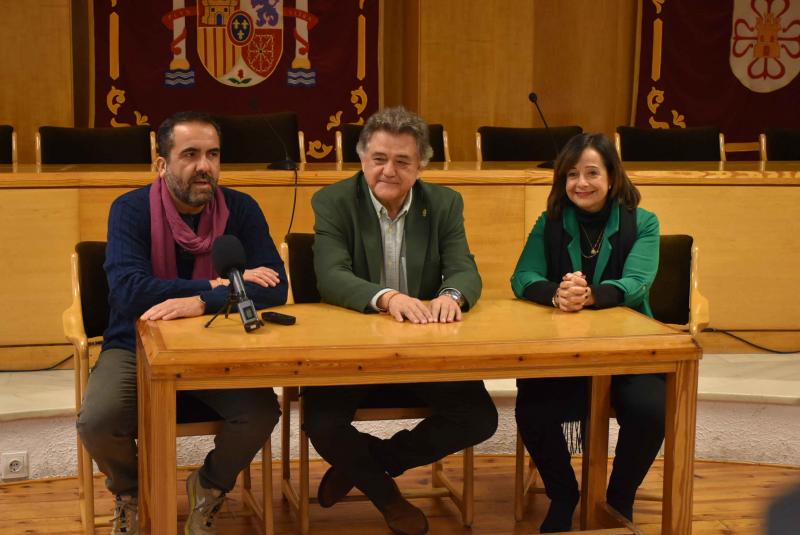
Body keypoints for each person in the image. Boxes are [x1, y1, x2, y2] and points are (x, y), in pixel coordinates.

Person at [76, 111, 288, 535]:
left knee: (261, 413)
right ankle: (133, 492)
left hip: (218, 346)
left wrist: (198, 302)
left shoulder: (242, 209)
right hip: (135, 343)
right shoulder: (130, 210)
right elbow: (129, 293)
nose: (204, 166)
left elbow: (273, 287)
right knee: (97, 422)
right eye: (190, 154)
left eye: (212, 154)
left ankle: (208, 487)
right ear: (162, 164)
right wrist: (218, 285)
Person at [304, 107, 498, 535]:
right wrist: (387, 297)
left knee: (480, 418)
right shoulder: (333, 201)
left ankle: (367, 464)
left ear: (421, 166)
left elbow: (464, 267)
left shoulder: (444, 203)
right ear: (362, 159)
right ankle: (389, 500)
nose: (388, 171)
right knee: (321, 424)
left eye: (402, 161)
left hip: (421, 344)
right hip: (350, 347)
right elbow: (331, 276)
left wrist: (452, 295)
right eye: (379, 159)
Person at [510, 133, 662, 532]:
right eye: (572, 174)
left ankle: (619, 498)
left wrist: (591, 295)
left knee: (652, 409)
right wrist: (558, 295)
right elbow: (522, 276)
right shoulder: (552, 221)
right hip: (564, 350)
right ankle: (564, 494)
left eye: (592, 172)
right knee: (531, 410)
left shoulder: (642, 222)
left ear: (612, 176)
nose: (581, 183)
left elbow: (638, 282)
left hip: (628, 351)